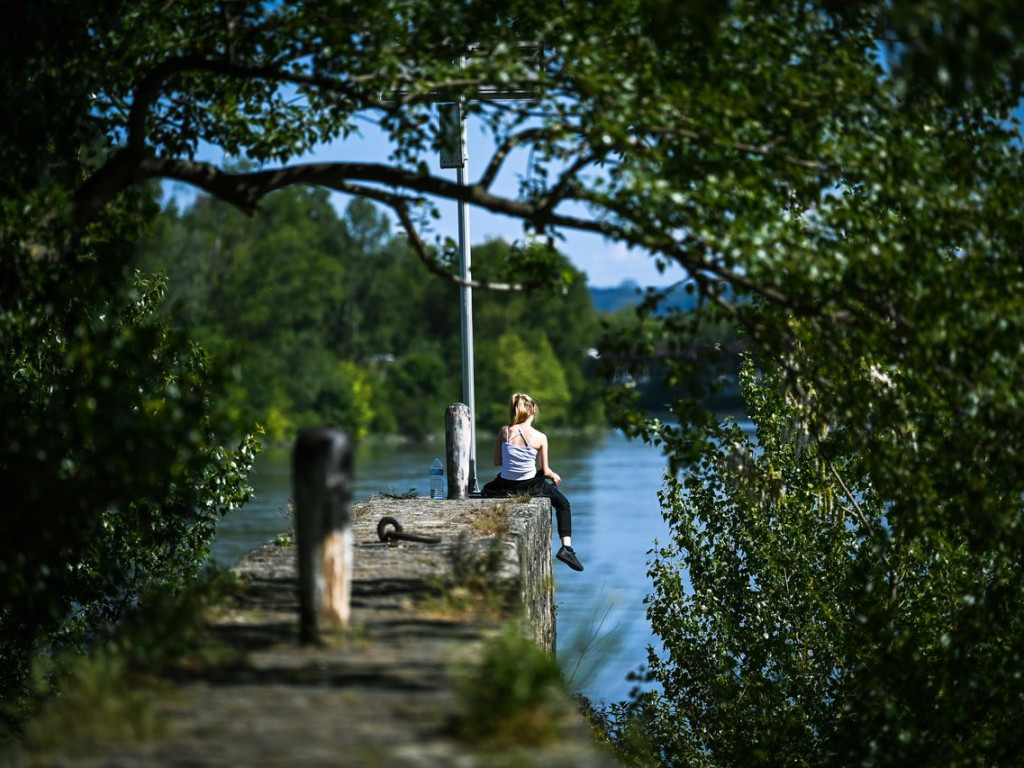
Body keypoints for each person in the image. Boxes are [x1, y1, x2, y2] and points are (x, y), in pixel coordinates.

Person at [482, 392, 584, 571]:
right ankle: (567, 548)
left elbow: (497, 462)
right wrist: (554, 475)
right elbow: (545, 471)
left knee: (486, 488)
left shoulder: (505, 431)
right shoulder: (540, 437)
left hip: (505, 484)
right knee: (563, 504)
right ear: (533, 410)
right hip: (530, 486)